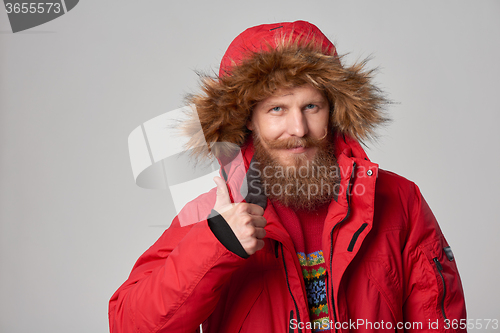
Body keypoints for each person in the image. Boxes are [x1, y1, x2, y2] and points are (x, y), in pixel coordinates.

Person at [109, 21, 466, 333]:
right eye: (277, 109)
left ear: (333, 110)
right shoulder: (212, 214)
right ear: (249, 118)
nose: (298, 128)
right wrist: (216, 244)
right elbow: (130, 324)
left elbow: (439, 322)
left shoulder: (399, 200)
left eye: (311, 106)